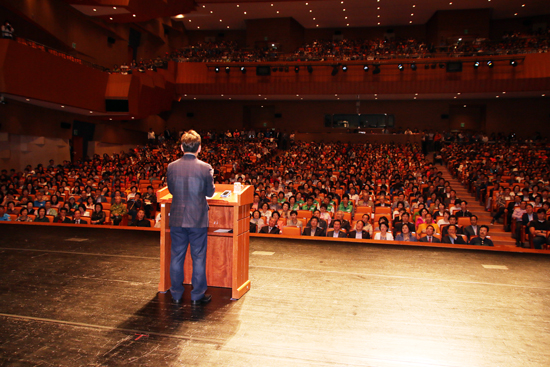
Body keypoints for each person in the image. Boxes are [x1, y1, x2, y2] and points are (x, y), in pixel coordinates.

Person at [167, 130, 215, 306]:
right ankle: (197, 295)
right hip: (197, 219)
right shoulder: (205, 167)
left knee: (177, 256)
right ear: (200, 148)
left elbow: (172, 190)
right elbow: (210, 192)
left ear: (181, 147)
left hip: (177, 218)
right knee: (198, 257)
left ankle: (177, 294)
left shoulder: (171, 166)